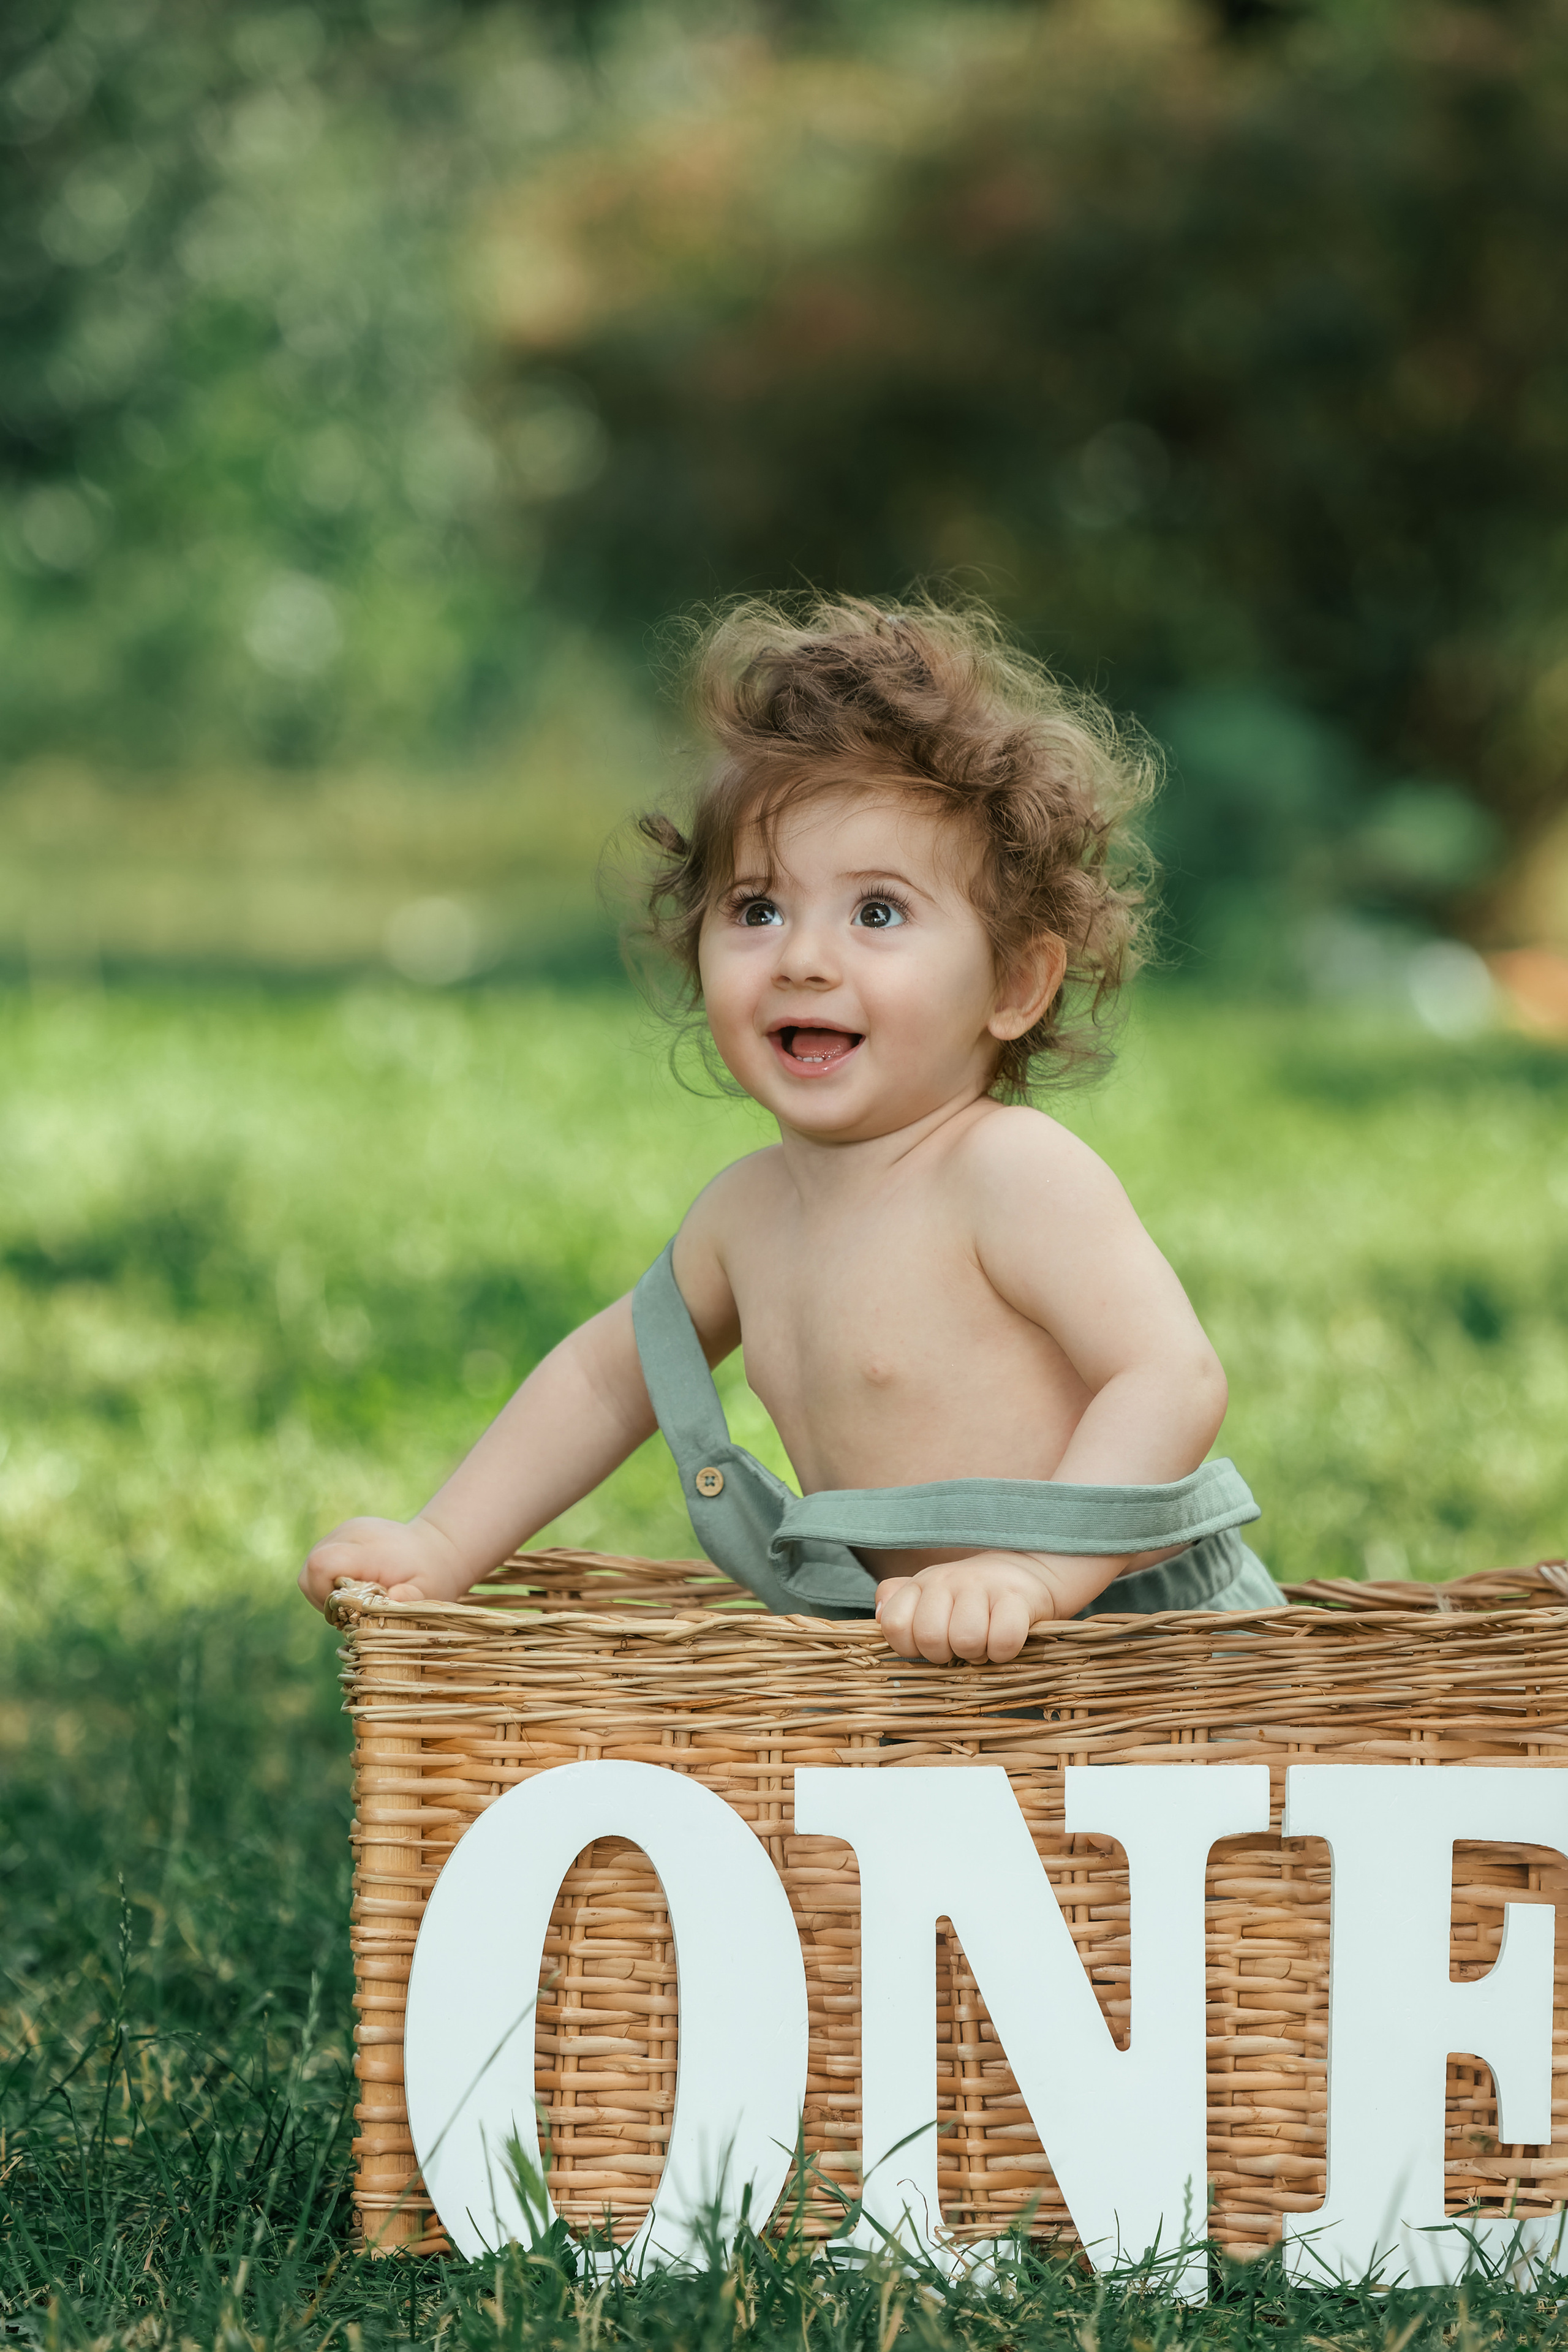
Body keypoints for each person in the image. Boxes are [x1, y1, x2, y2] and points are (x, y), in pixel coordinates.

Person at [300, 597, 1281, 1661]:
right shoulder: (746, 1213)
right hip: (920, 1655)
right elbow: (605, 1377)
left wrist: (1040, 1573)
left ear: (1014, 982)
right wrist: (442, 1542)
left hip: (1134, 1638)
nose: (804, 958)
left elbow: (1170, 1377)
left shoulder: (1006, 1172)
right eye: (758, 908)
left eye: (877, 912)